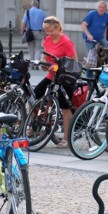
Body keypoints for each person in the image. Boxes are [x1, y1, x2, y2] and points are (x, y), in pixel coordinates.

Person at [35, 16, 78, 146]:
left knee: (65, 108)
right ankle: (36, 125)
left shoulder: (66, 41)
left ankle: (66, 138)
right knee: (35, 95)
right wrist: (44, 64)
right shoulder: (48, 40)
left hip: (64, 77)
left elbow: (74, 62)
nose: (49, 34)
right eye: (47, 31)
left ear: (58, 28)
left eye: (51, 31)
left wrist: (58, 67)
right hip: (51, 76)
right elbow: (46, 56)